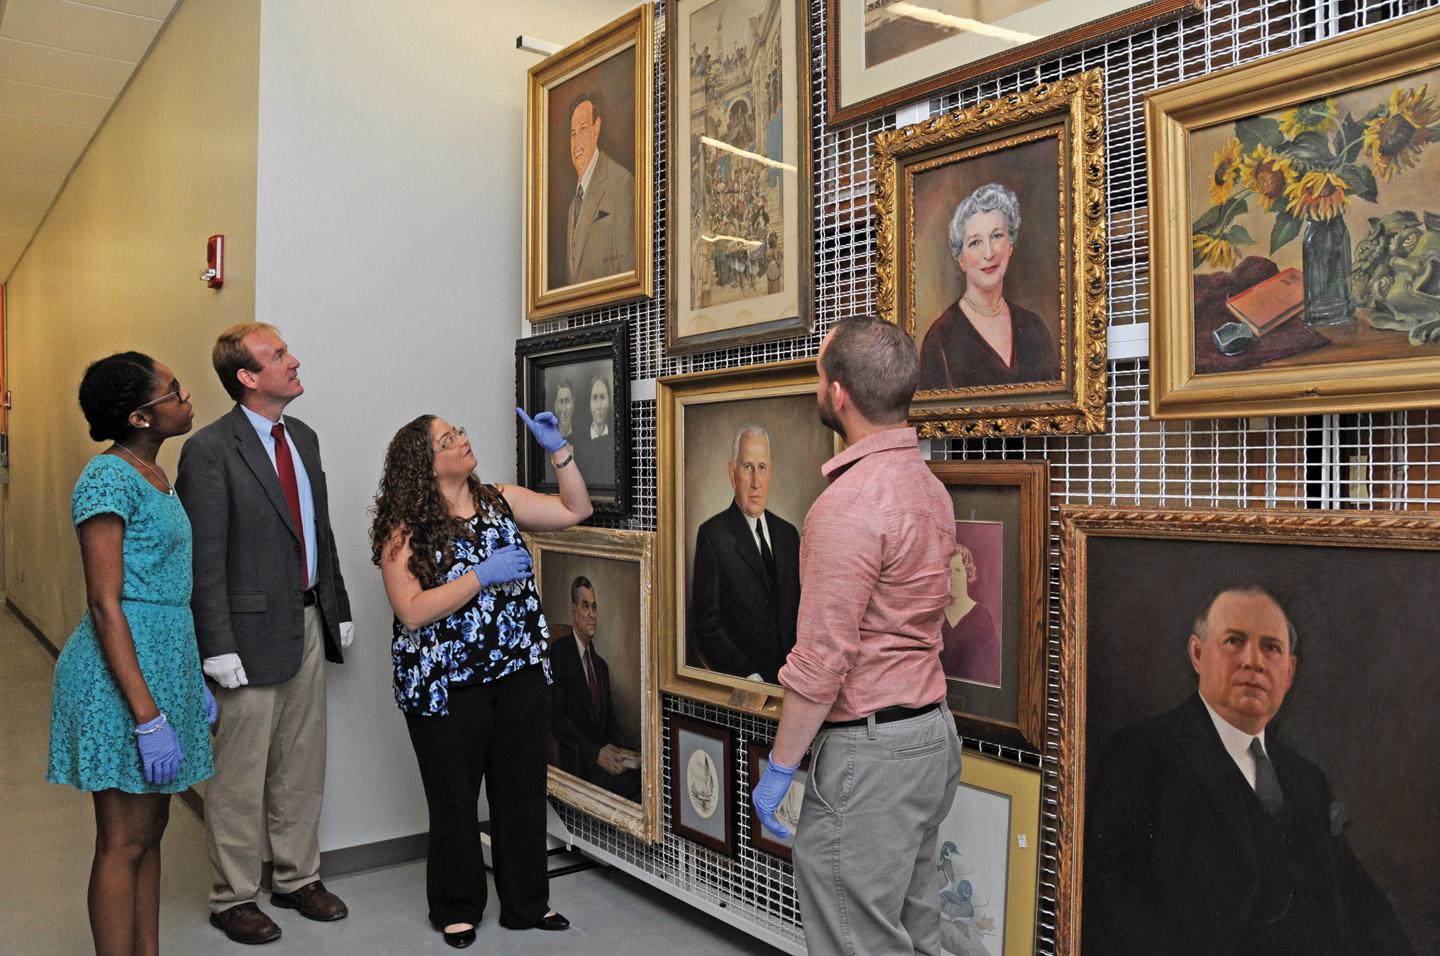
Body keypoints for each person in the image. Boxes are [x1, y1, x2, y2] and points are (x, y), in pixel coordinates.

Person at [753, 315, 963, 956]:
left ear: (838, 393)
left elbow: (822, 661)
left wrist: (781, 767)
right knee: (914, 930)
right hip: (930, 738)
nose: (818, 384)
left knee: (856, 941)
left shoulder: (848, 506)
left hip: (873, 757)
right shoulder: (927, 489)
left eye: (819, 372)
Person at [1083, 585, 1415, 955]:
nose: (1253, 661)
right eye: (1233, 641)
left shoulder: (1308, 782)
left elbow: (1359, 902)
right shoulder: (1144, 752)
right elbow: (1112, 897)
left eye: (1270, 647)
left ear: (1288, 672)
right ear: (1196, 653)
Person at [370, 408, 591, 950]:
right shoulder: (404, 528)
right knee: (454, 799)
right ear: (426, 462)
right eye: (449, 438)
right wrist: (480, 576)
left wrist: (559, 451)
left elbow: (575, 508)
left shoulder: (499, 499)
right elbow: (413, 611)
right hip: (446, 686)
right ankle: (456, 907)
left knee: (519, 793)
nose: (463, 439)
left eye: (461, 430)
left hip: (516, 674)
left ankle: (527, 905)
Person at [175, 323, 355, 945]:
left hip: (307, 620)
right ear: (247, 377)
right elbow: (204, 558)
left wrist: (337, 604)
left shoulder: (302, 438)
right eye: (278, 355)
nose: (294, 359)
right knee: (240, 774)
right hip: (243, 638)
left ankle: (297, 877)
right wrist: (215, 644)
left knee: (302, 762)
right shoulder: (208, 450)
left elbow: (317, 532)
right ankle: (231, 897)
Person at [49, 352, 216, 955]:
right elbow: (104, 603)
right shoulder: (106, 478)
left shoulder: (155, 476)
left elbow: (169, 586)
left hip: (163, 662)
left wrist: (187, 676)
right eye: (174, 390)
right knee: (121, 841)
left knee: (150, 834)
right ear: (141, 415)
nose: (186, 396)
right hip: (118, 677)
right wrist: (148, 716)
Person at [918, 182, 1060, 390]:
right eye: (975, 242)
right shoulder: (940, 339)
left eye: (996, 236)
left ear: (1010, 245)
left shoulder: (1034, 327)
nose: (989, 253)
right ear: (961, 259)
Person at [687, 424, 801, 683]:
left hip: (792, 683)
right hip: (745, 681)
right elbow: (707, 625)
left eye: (762, 468)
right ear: (732, 473)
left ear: (770, 472)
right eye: (747, 467)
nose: (755, 482)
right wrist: (748, 676)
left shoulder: (788, 535)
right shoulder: (713, 535)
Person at [549, 576, 641, 801]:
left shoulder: (600, 666)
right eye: (585, 606)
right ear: (573, 611)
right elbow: (556, 716)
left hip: (605, 759)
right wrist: (595, 754)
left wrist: (627, 755)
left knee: (643, 779)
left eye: (595, 607)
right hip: (579, 760)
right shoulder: (558, 653)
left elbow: (610, 723)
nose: (591, 614)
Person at [565, 92, 635, 286]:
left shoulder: (621, 184)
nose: (577, 141)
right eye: (573, 133)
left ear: (596, 129)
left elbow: (629, 271)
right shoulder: (573, 207)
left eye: (583, 128)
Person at [937, 541, 1000, 685]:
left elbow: (990, 671)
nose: (952, 577)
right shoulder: (936, 611)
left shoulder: (981, 617)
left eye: (958, 570)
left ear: (968, 573)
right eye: (949, 571)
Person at [572, 373, 613, 485]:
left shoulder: (617, 438)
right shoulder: (579, 443)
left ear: (609, 401)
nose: (599, 405)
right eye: (595, 398)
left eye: (603, 397)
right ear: (589, 403)